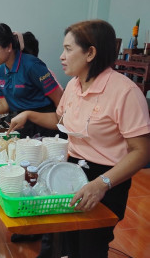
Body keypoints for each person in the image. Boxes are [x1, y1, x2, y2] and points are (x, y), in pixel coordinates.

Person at [8, 20, 150, 257]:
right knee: (61, 238)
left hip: (107, 178)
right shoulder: (74, 85)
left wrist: (101, 184)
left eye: (68, 49)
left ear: (91, 53)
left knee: (90, 246)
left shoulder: (124, 92)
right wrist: (29, 114)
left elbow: (142, 151)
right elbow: (61, 122)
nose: (62, 56)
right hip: (71, 170)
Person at [0, 23, 63, 138]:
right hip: (21, 124)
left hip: (44, 125)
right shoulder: (1, 71)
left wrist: (63, 125)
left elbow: (59, 98)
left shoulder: (32, 65)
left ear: (9, 47)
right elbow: (4, 106)